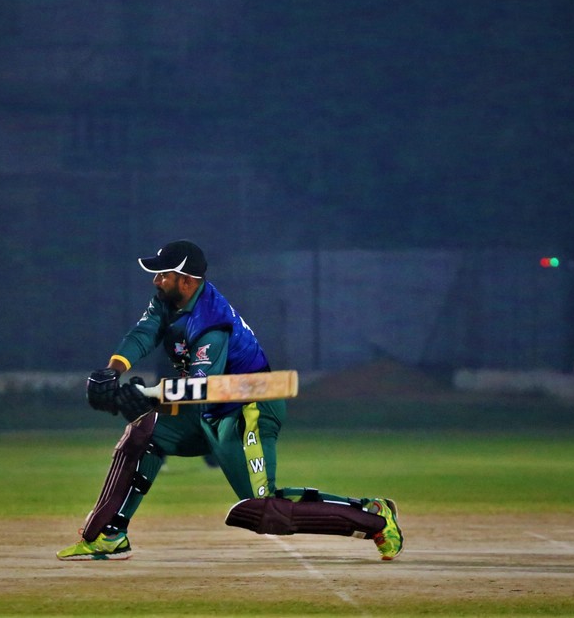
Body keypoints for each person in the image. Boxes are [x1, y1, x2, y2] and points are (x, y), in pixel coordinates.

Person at [56, 240, 403, 561]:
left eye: (163, 274)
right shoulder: (168, 301)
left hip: (248, 408)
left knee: (263, 509)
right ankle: (111, 533)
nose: (156, 280)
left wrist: (146, 395)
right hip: (211, 406)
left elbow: (201, 386)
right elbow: (143, 333)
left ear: (187, 281)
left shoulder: (211, 322)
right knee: (144, 434)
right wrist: (113, 371)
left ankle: (373, 518)